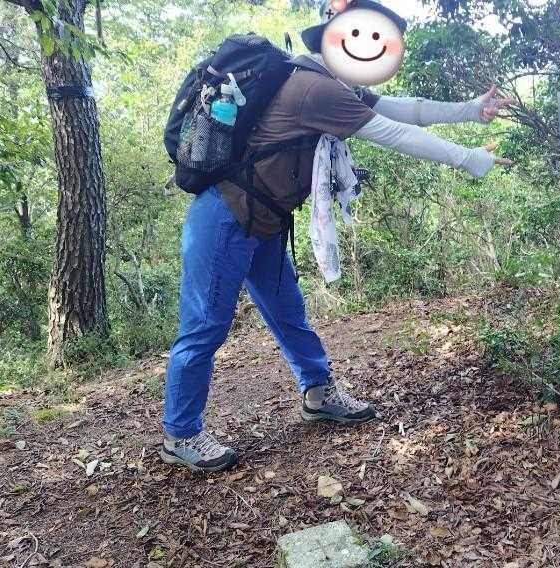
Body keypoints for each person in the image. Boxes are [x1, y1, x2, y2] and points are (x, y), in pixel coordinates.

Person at [160, 0, 515, 472]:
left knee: (288, 312)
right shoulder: (313, 89)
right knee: (205, 326)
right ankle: (181, 433)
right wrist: (470, 158)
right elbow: (394, 132)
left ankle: (319, 393)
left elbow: (405, 109)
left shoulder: (330, 82)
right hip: (226, 217)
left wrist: (471, 111)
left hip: (265, 221)